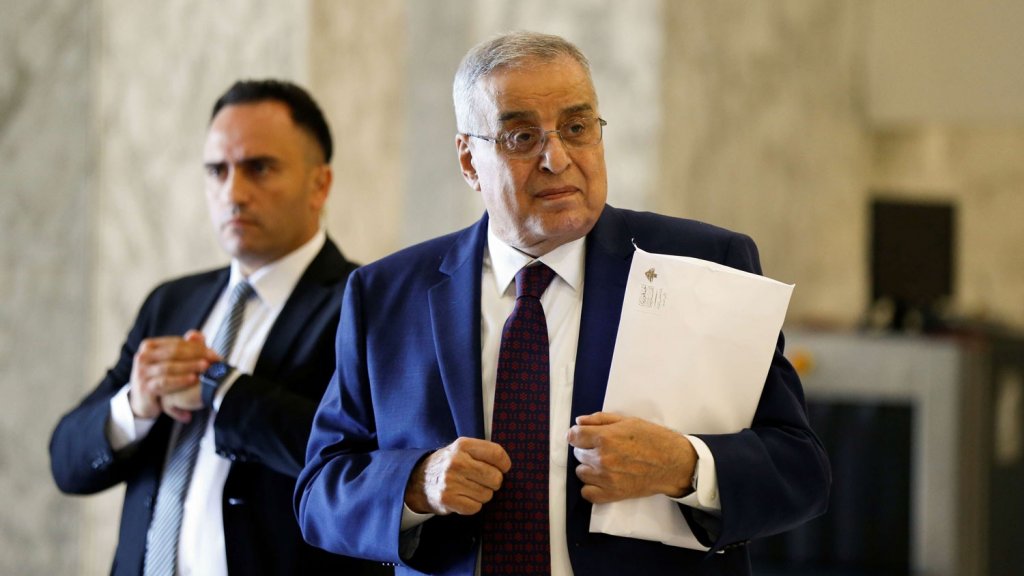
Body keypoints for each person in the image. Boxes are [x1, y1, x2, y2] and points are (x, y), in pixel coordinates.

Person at [295, 32, 830, 576]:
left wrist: (685, 466)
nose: (556, 159)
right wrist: (416, 484)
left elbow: (801, 472)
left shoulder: (707, 262)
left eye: (576, 128)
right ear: (469, 161)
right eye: (522, 137)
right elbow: (319, 492)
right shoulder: (386, 295)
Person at [50, 79, 387, 576]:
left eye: (259, 168)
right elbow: (66, 462)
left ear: (320, 184)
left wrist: (224, 390)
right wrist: (135, 406)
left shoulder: (370, 303)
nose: (233, 192)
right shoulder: (170, 303)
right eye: (217, 170)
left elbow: (371, 466)